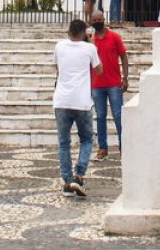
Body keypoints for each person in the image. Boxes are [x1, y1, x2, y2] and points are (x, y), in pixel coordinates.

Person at [53, 18, 102, 197]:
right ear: (83, 34)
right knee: (87, 140)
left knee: (64, 143)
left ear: (68, 32)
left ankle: (66, 182)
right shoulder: (89, 48)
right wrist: (91, 43)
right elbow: (99, 70)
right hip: (81, 101)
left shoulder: (59, 46)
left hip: (61, 100)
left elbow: (57, 67)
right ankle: (78, 175)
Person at [88, 10, 129, 161]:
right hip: (97, 84)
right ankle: (102, 148)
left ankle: (123, 147)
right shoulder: (90, 41)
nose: (97, 21)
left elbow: (124, 56)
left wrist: (125, 77)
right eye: (95, 19)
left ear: (104, 19)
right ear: (91, 21)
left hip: (114, 83)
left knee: (118, 116)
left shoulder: (114, 37)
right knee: (100, 116)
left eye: (100, 19)